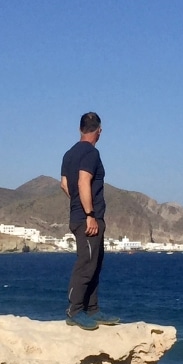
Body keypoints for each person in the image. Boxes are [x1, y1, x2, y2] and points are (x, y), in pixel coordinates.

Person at [60, 112, 120, 330]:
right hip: (87, 219)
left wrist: (77, 203)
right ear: (99, 131)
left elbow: (65, 185)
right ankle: (74, 311)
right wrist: (89, 214)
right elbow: (84, 181)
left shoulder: (69, 154)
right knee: (86, 264)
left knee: (94, 262)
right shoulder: (91, 154)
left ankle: (92, 309)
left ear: (80, 129)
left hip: (80, 215)